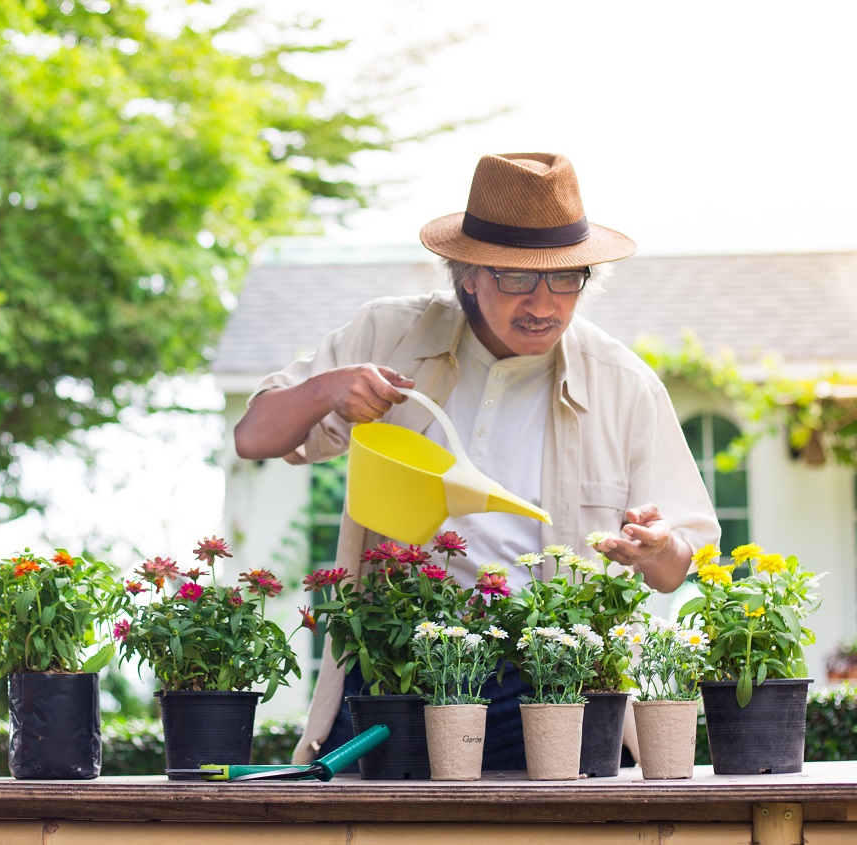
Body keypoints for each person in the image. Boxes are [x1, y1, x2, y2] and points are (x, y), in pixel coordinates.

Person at [234, 151, 720, 769]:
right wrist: (325, 390)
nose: (544, 304)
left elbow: (679, 565)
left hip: (548, 682)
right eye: (517, 279)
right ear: (466, 275)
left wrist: (657, 548)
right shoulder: (391, 336)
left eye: (566, 278)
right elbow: (253, 437)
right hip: (396, 668)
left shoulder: (624, 385)